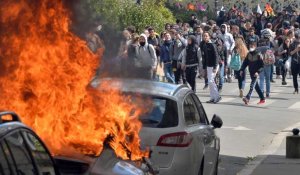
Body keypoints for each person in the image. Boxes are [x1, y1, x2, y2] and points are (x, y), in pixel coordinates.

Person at [200, 32, 222, 103]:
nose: (205, 37)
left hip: (214, 65)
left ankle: (217, 96)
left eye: (206, 36)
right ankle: (212, 97)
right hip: (208, 66)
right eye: (204, 36)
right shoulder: (204, 45)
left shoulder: (212, 45)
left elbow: (216, 56)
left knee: (211, 81)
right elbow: (204, 58)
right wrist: (204, 68)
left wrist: (215, 67)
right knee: (210, 82)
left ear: (209, 37)